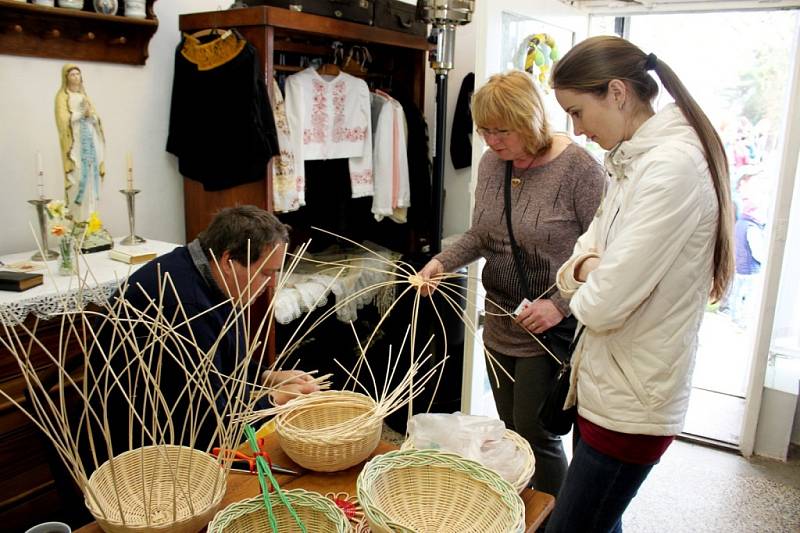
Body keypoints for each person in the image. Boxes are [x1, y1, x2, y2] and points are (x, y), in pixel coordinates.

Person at [547, 36, 735, 532]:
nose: (577, 130)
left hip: (632, 400)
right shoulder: (633, 160)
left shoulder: (669, 168)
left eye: (578, 112)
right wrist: (587, 268)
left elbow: (602, 305)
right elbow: (575, 263)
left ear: (616, 92)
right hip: (605, 383)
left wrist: (586, 273)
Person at [418, 70, 605, 497]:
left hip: (551, 326)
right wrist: (441, 263)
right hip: (502, 318)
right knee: (511, 432)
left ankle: (554, 518)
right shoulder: (492, 163)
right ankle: (523, 506)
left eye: (502, 131)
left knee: (536, 432)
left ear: (531, 121)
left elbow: (604, 257)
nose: (491, 141)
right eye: (484, 131)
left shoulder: (580, 171)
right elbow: (482, 234)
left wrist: (559, 304)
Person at [94, 206, 319, 451]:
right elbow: (209, 425)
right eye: (266, 273)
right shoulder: (186, 309)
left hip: (179, 416)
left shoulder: (203, 273)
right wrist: (276, 400)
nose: (270, 284)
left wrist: (266, 376)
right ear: (229, 260)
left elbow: (221, 361)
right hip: (144, 446)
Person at [55, 64, 106, 222]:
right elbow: (63, 120)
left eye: (78, 74)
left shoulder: (85, 97)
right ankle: (78, 220)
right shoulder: (62, 97)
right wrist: (79, 114)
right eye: (72, 74)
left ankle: (90, 221)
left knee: (91, 179)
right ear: (66, 77)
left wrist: (91, 116)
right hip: (75, 146)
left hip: (90, 144)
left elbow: (97, 120)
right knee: (76, 179)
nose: (76, 77)